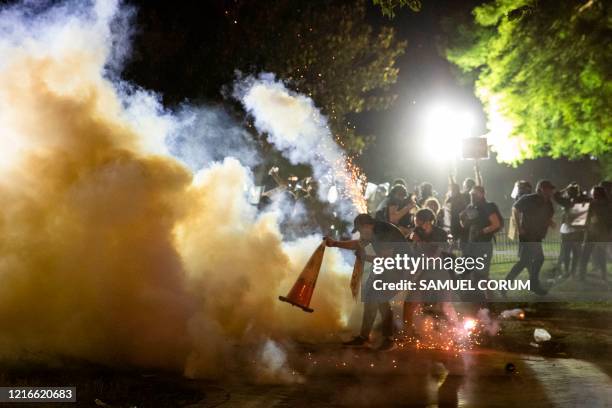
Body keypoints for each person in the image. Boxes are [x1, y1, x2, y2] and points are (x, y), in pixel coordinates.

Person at [325, 214, 407, 351]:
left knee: (379, 298)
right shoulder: (372, 231)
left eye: (360, 231)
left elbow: (385, 260)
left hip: (402, 267)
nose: (361, 234)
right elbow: (358, 244)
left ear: (367, 226)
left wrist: (364, 257)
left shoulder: (383, 233)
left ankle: (388, 339)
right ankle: (366, 337)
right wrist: (335, 244)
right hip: (392, 267)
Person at [403, 209, 453, 335]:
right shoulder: (416, 232)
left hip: (438, 273)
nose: (417, 226)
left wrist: (418, 241)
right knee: (409, 303)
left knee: (443, 308)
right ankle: (407, 333)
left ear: (428, 222)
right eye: (416, 223)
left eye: (419, 223)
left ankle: (451, 334)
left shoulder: (440, 233)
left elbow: (433, 255)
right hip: (422, 273)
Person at [504, 180, 556, 295]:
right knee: (533, 260)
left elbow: (546, 216)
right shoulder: (529, 198)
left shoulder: (548, 203)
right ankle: (532, 284)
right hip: (528, 235)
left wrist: (550, 222)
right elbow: (515, 208)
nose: (551, 191)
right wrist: (519, 228)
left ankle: (512, 284)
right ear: (542, 189)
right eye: (549, 188)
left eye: (552, 189)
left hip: (537, 236)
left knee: (525, 261)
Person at [459, 186, 503, 302]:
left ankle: (487, 299)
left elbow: (496, 224)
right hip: (471, 244)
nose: (472, 197)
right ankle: (478, 298)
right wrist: (461, 219)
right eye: (471, 194)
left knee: (482, 275)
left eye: (475, 194)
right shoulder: (471, 207)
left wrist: (482, 231)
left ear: (482, 194)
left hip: (483, 245)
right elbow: (465, 226)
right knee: (468, 272)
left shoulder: (489, 206)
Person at [553, 183, 588, 278]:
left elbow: (555, 195)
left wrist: (565, 188)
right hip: (578, 230)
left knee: (567, 252)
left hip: (568, 230)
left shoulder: (567, 202)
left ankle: (567, 271)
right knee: (575, 253)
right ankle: (572, 272)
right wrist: (579, 191)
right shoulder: (583, 200)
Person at [579, 186, 611, 283]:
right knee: (600, 255)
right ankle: (603, 275)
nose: (593, 194)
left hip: (594, 233)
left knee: (585, 255)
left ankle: (582, 275)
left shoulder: (593, 204)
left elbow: (584, 217)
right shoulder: (608, 204)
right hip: (600, 233)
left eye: (594, 193)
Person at [444, 175, 468, 250]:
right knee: (452, 243)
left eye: (454, 190)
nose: (452, 191)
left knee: (462, 243)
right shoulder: (450, 199)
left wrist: (451, 178)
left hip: (461, 223)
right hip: (453, 223)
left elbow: (454, 185)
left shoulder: (461, 197)